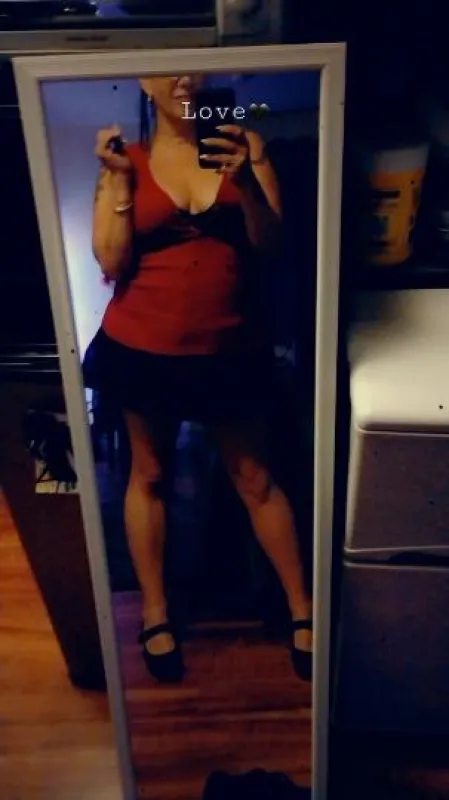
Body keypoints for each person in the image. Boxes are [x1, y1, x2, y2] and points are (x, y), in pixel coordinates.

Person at [86, 73, 313, 683]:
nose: (184, 79)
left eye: (195, 70)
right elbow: (111, 261)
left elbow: (272, 249)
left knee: (256, 479)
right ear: (146, 81)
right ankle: (155, 612)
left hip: (230, 348)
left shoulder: (246, 143)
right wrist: (121, 183)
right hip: (143, 347)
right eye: (171, 70)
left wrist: (245, 181)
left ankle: (303, 608)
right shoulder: (125, 159)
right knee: (150, 476)